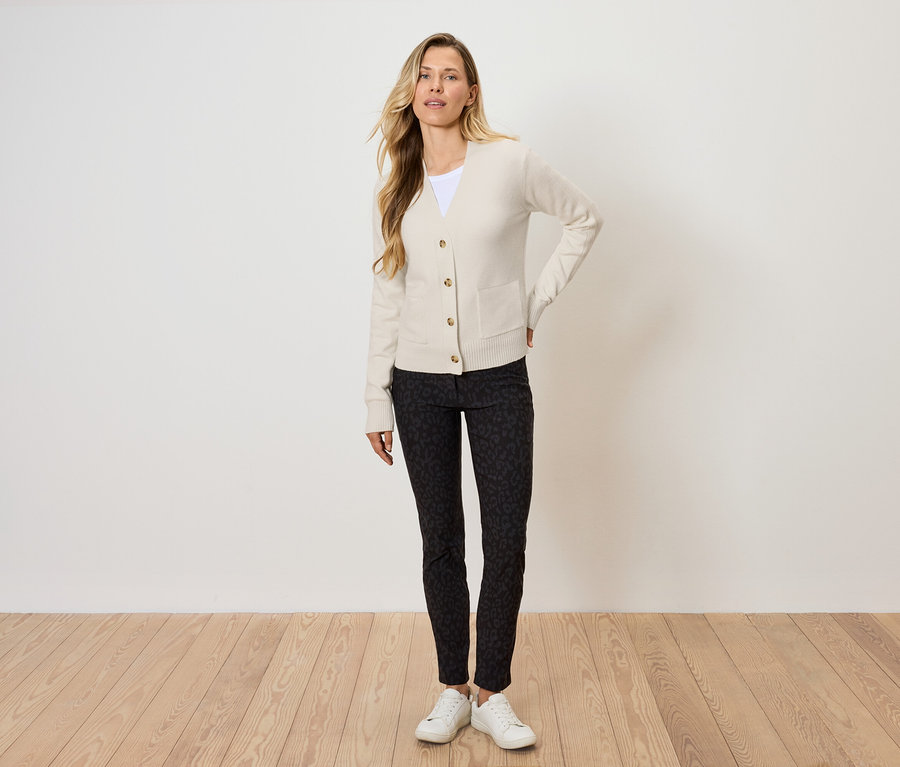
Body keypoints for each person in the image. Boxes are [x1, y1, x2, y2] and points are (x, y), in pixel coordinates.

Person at [363, 32, 602, 750]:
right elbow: (387, 294)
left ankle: (492, 689)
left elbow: (584, 218)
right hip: (417, 383)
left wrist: (533, 302)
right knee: (440, 539)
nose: (436, 86)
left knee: (505, 536)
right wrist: (376, 396)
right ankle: (452, 688)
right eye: (425, 75)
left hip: (499, 376)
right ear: (412, 90)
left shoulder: (509, 162)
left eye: (451, 75)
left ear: (471, 92)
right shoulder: (398, 185)